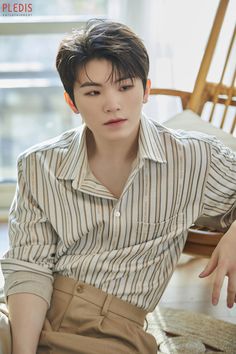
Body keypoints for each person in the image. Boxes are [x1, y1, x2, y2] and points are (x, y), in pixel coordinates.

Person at [0, 19, 236, 354]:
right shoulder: (39, 165)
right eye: (93, 92)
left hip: (113, 332)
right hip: (27, 313)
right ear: (71, 102)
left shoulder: (194, 158)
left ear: (147, 89)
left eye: (125, 87)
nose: (112, 104)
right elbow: (29, 266)